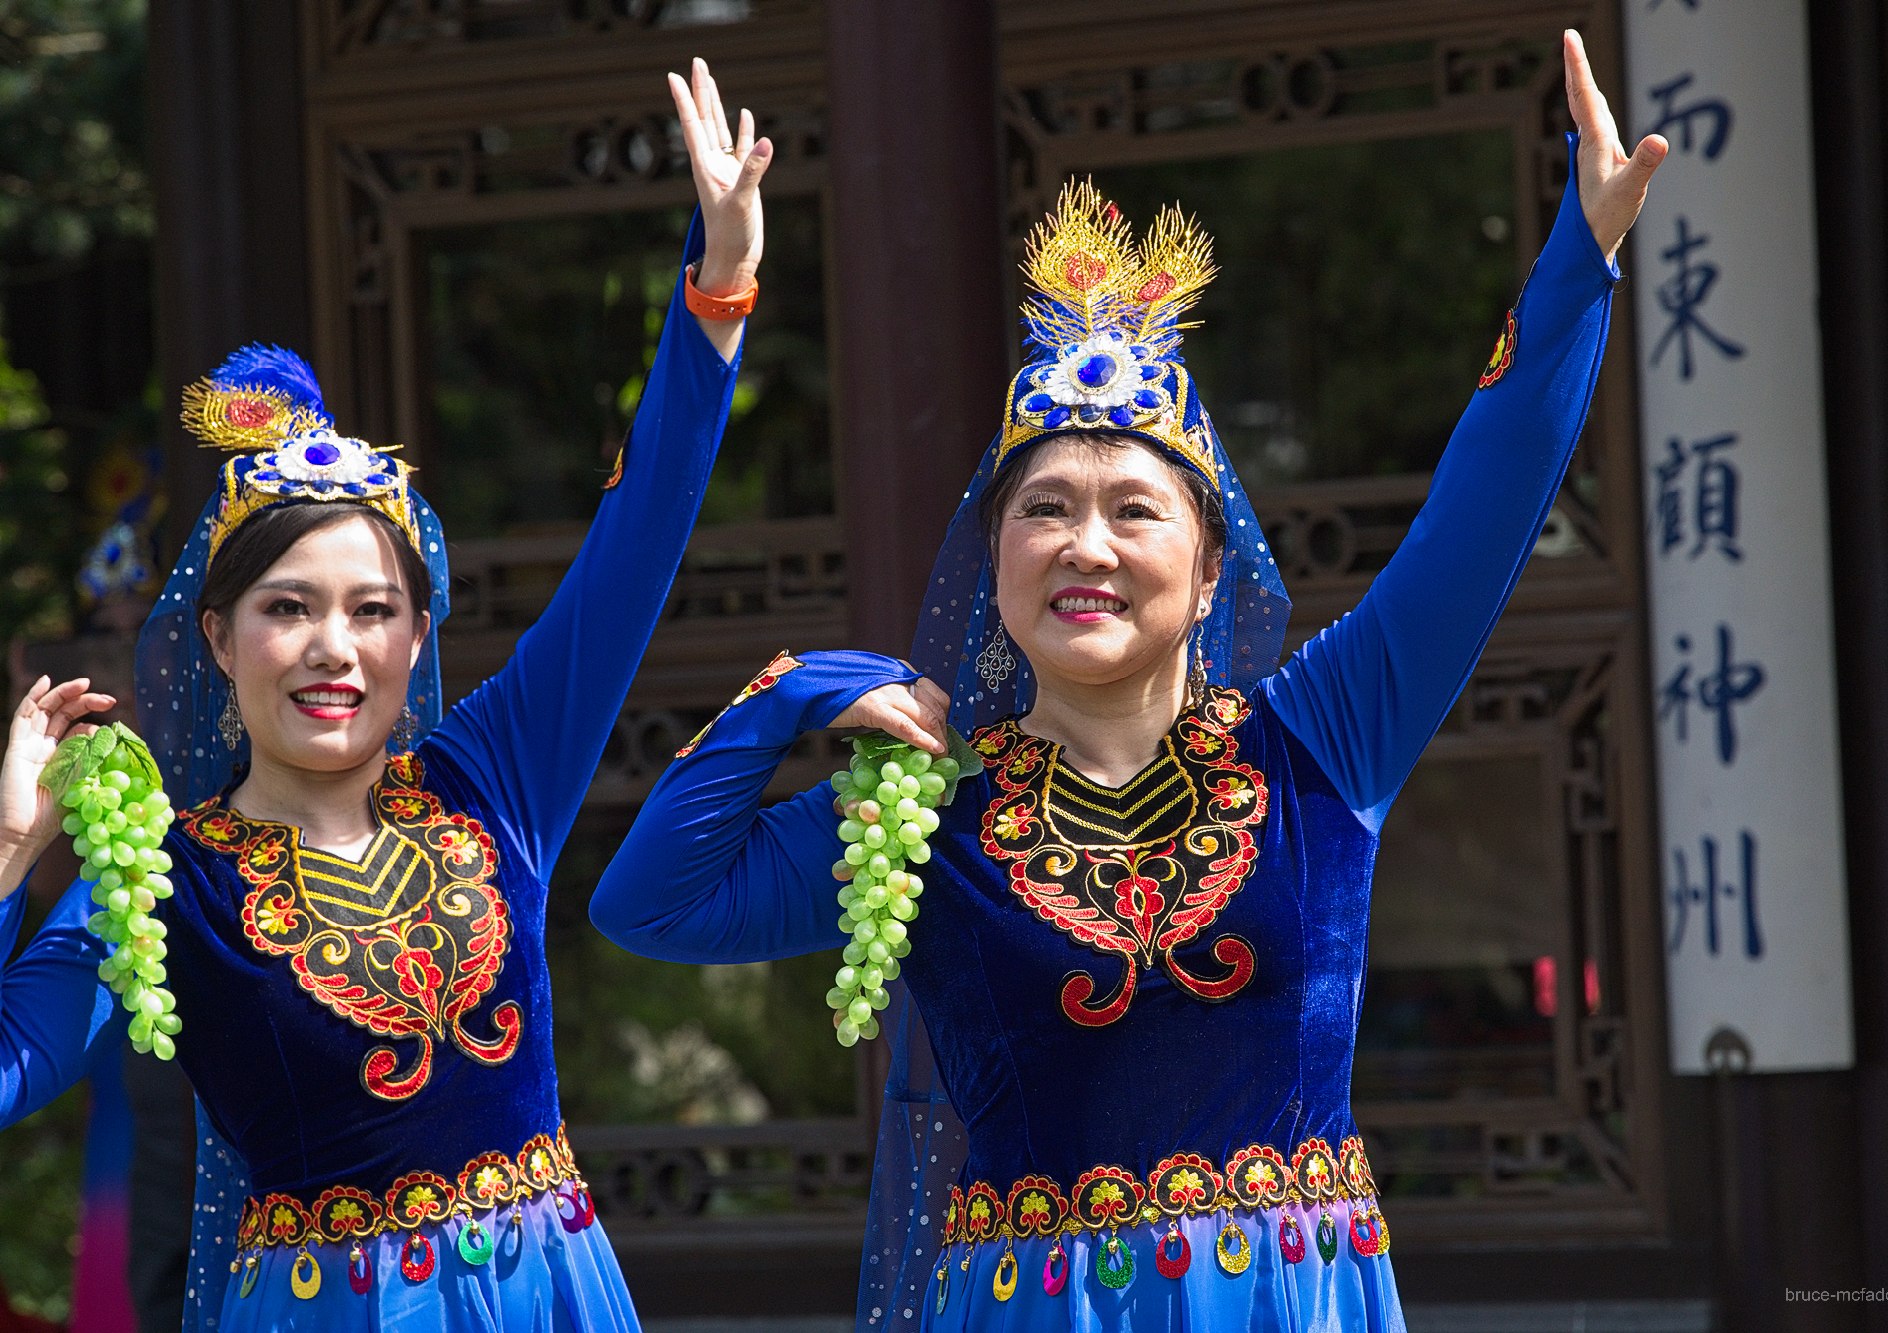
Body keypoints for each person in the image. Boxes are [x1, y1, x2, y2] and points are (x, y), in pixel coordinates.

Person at [589, 32, 1664, 1333]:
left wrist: (1580, 255)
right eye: (1044, 509)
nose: (1085, 545)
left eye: (1132, 511)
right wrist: (789, 696)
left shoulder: (1321, 742)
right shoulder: (916, 813)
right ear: (995, 559)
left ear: (1210, 571)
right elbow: (651, 903)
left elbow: (1475, 522)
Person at [0, 59, 769, 1332]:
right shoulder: (155, 879)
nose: (331, 648)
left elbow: (635, 546)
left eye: (372, 611)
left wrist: (719, 282)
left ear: (419, 637)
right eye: (286, 608)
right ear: (218, 633)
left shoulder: (492, 781)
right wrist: (13, 850)